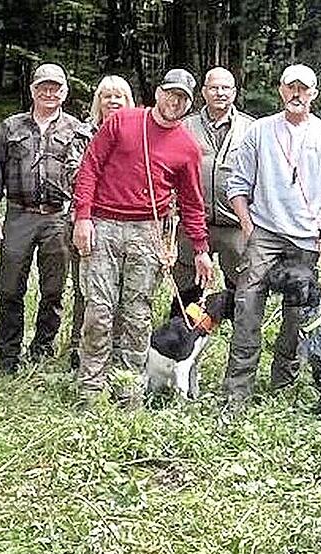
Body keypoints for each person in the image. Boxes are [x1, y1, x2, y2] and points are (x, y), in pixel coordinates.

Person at [72, 68, 214, 404]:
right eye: (170, 93)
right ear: (158, 92)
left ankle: (128, 390)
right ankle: (90, 388)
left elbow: (193, 203)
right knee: (100, 310)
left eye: (182, 98)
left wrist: (200, 248)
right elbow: (89, 168)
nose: (174, 102)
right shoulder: (122, 122)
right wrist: (83, 218)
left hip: (147, 232)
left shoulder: (187, 148)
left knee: (137, 314)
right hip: (103, 225)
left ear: (188, 105)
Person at [223, 64, 321, 408]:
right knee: (247, 305)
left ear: (314, 93)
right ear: (281, 90)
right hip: (265, 232)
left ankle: (283, 383)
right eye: (290, 87)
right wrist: (250, 227)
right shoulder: (259, 131)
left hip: (308, 238)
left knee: (298, 315)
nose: (296, 94)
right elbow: (237, 185)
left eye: (303, 88)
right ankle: (237, 391)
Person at [0, 63, 82, 374]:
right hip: (18, 215)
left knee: (54, 289)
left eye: (55, 87)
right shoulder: (10, 126)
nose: (49, 92)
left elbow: (84, 178)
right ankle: (8, 356)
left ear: (64, 92)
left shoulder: (76, 129)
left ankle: (42, 350)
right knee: (10, 288)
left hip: (57, 218)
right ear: (32, 90)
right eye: (43, 86)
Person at [171, 66, 255, 316]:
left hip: (236, 225)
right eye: (214, 87)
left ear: (235, 92)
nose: (220, 93)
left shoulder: (251, 128)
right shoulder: (185, 127)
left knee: (242, 292)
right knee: (186, 292)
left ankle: (239, 345)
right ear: (204, 92)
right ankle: (180, 343)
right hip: (194, 225)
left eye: (226, 88)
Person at [65, 75, 136, 369]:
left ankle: (117, 350)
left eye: (119, 96)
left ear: (128, 101)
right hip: (88, 221)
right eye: (107, 96)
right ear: (99, 101)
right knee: (88, 289)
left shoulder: (138, 133)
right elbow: (75, 174)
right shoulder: (84, 134)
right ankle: (79, 350)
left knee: (123, 290)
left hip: (127, 224)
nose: (113, 101)